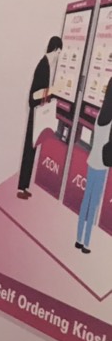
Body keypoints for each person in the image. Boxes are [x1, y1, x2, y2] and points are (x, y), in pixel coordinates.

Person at [19, 35, 61, 200]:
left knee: (32, 149)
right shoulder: (43, 66)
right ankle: (22, 187)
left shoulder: (45, 65)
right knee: (29, 150)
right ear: (56, 49)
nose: (58, 56)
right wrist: (53, 90)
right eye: (59, 52)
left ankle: (24, 187)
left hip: (37, 112)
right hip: (35, 113)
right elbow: (34, 95)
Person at [76, 84, 111, 253]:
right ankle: (86, 244)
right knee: (94, 204)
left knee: (86, 200)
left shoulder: (100, 114)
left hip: (92, 160)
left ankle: (78, 239)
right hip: (102, 164)